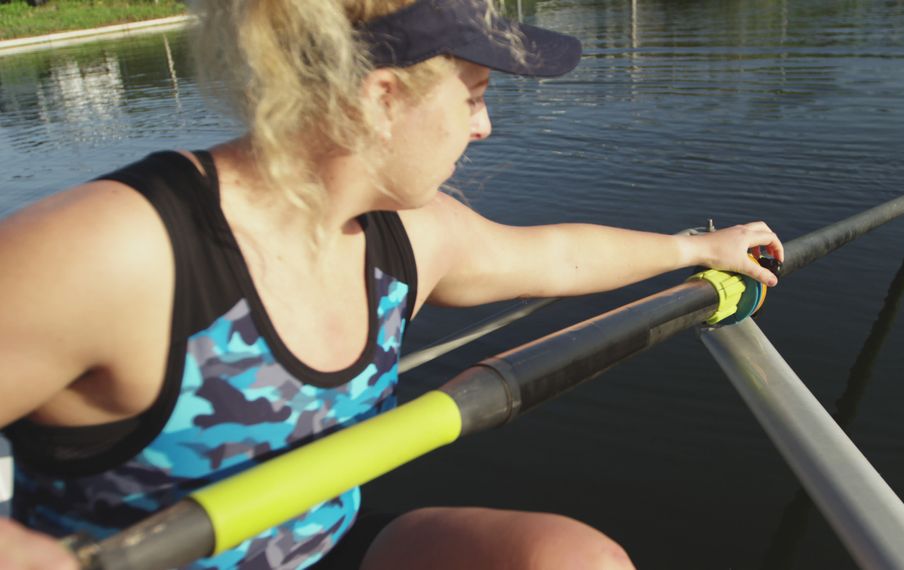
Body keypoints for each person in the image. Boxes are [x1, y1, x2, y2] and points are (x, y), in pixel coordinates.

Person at [0, 0, 783, 568]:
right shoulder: (119, 250)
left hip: (327, 548)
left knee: (570, 560)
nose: (484, 126)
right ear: (381, 100)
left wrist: (696, 249)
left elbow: (556, 258)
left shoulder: (408, 236)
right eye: (473, 95)